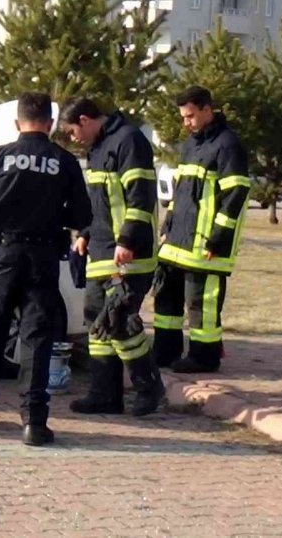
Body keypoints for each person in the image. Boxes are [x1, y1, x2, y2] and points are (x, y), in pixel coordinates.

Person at [0, 92, 92, 446]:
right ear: (49, 123)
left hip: (1, 256)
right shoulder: (64, 162)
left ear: (18, 123)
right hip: (43, 258)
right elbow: (82, 216)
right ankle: (33, 421)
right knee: (37, 339)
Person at [59, 97, 164, 416]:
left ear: (87, 119)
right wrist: (86, 235)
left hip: (129, 254)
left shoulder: (129, 141)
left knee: (119, 320)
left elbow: (140, 196)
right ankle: (105, 395)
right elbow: (99, 202)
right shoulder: (97, 149)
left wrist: (128, 239)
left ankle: (149, 386)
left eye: (73, 130)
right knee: (96, 320)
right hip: (101, 252)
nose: (72, 138)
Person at [154, 86, 250, 373]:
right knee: (165, 295)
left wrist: (218, 239)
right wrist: (166, 226)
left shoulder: (228, 144)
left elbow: (235, 195)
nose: (187, 122)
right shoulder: (190, 145)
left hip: (206, 244)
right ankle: (165, 351)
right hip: (177, 240)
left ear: (208, 109)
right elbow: (181, 192)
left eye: (191, 116)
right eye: (183, 117)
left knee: (201, 303)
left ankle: (204, 357)